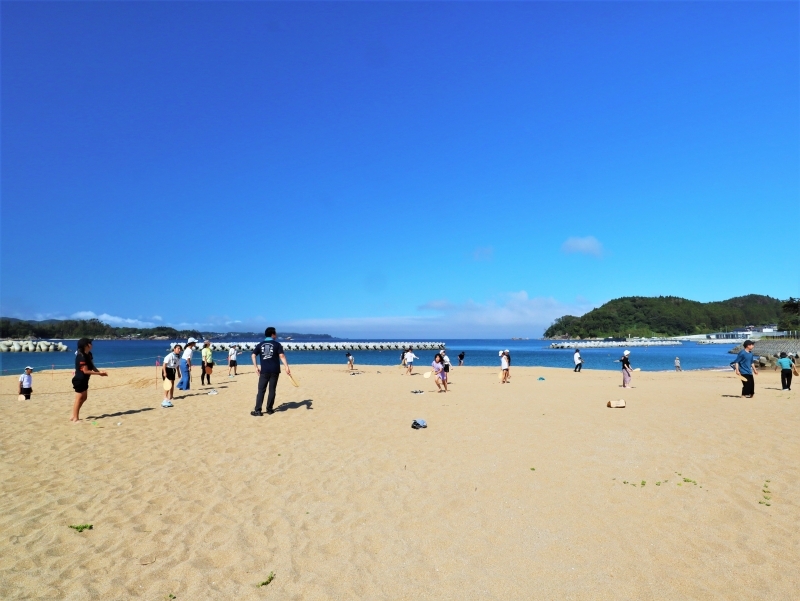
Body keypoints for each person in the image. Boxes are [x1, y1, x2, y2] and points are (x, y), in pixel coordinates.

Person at [251, 327, 292, 416]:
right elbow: (282, 356)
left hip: (264, 371)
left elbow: (253, 355)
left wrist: (256, 367)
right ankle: (269, 409)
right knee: (272, 390)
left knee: (261, 390)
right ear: (272, 334)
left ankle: (258, 410)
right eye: (275, 334)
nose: (276, 335)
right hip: (275, 370)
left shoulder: (260, 344)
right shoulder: (277, 344)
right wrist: (286, 367)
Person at [70, 338, 108, 422]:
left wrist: (99, 372)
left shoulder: (89, 354)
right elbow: (85, 371)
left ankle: (74, 415)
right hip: (79, 380)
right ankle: (75, 418)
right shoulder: (81, 356)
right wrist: (99, 374)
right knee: (79, 398)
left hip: (85, 379)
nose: (91, 344)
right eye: (89, 343)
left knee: (84, 398)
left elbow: (92, 366)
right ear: (85, 345)